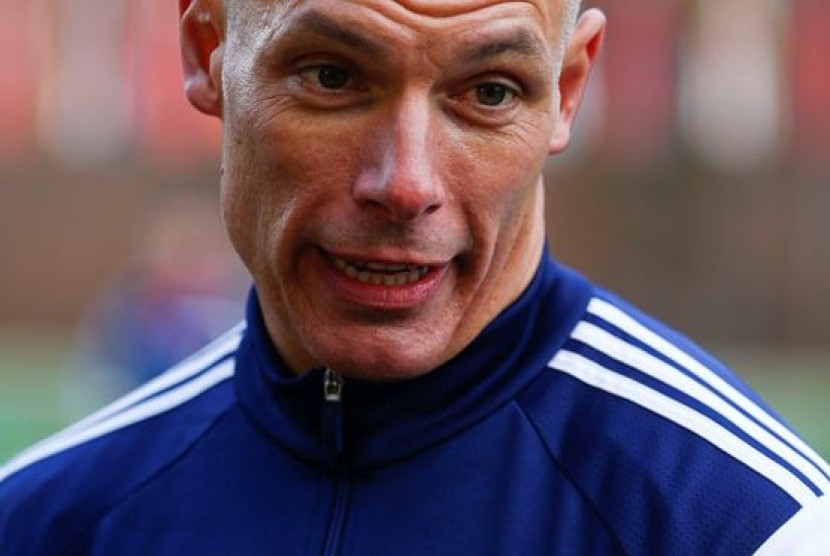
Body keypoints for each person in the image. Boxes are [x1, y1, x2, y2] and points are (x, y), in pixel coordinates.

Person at [1, 0, 828, 554]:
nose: (405, 183)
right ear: (209, 49)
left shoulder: (750, 525)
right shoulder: (46, 522)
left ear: (569, 89)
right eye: (332, 77)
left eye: (490, 92)